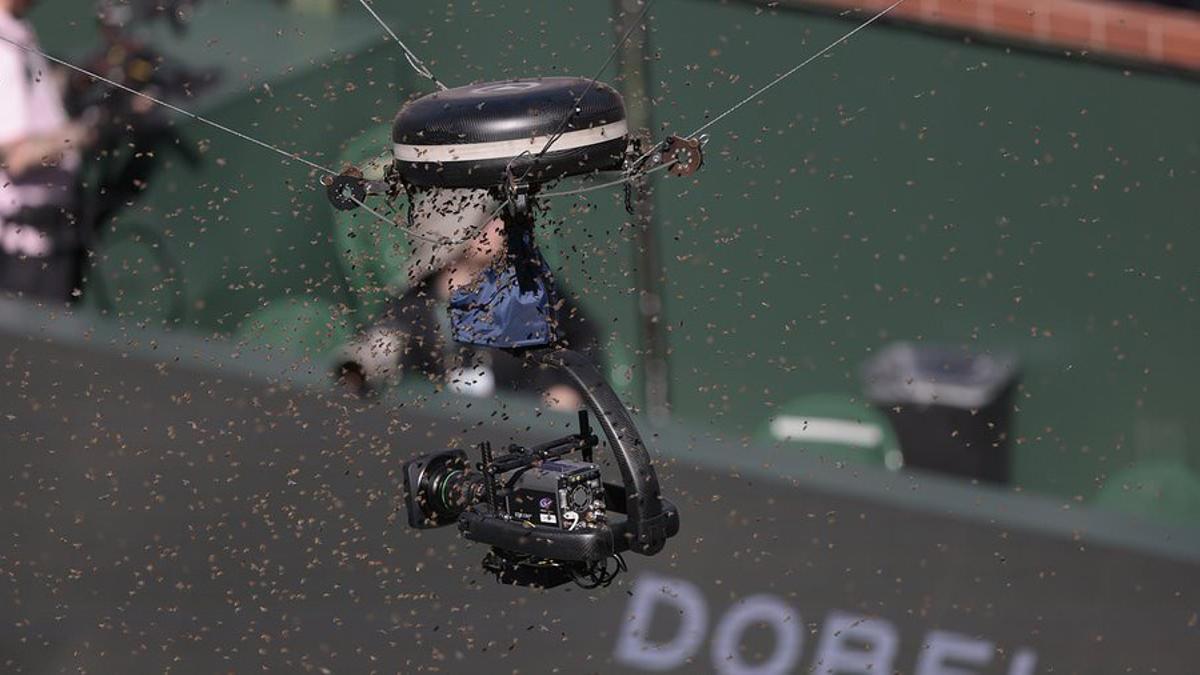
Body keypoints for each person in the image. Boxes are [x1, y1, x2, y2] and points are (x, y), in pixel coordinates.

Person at [336, 188, 602, 411]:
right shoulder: (416, 308)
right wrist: (360, 370)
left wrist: (566, 387)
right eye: (486, 220)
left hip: (527, 434)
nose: (500, 226)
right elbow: (378, 348)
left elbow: (583, 337)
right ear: (455, 238)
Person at [0, 0, 92, 301]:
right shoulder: (3, 43)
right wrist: (87, 130)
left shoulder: (17, 30)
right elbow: (16, 155)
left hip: (47, 237)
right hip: (24, 249)